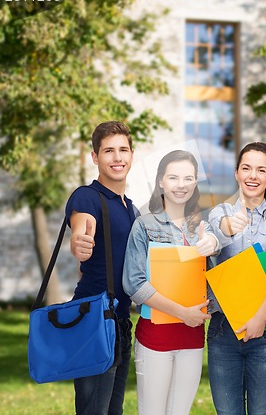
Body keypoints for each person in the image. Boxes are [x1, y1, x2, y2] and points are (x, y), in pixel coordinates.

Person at [122, 150, 218, 415]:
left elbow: (214, 274)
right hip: (156, 338)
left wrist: (213, 244)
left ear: (196, 183)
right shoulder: (144, 225)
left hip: (192, 338)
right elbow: (134, 283)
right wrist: (182, 313)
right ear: (161, 181)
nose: (181, 184)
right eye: (173, 177)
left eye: (188, 178)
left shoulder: (203, 226)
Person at [207, 142, 266, 415]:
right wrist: (227, 229)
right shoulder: (219, 213)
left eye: (261, 170)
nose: (253, 176)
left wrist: (260, 318)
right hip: (224, 332)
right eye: (246, 168)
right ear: (236, 173)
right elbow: (214, 242)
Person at [65, 121, 137, 415]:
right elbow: (81, 231)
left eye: (123, 150)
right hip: (93, 321)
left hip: (120, 321)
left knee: (113, 410)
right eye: (108, 151)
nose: (117, 157)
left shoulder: (132, 208)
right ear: (95, 157)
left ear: (133, 154)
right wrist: (79, 244)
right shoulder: (87, 196)